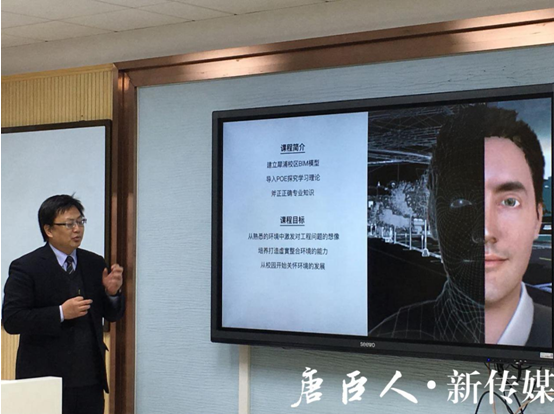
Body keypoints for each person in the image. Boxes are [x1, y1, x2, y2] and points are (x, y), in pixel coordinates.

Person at [370, 105, 552, 347]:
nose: (484, 232)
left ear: (537, 218)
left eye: (509, 201)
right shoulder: (389, 337)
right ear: (432, 219)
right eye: (460, 202)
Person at [2, 195, 125, 414]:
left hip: (89, 379)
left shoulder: (94, 263)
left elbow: (111, 315)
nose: (77, 229)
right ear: (49, 230)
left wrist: (111, 293)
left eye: (80, 222)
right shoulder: (26, 267)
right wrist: (60, 313)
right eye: (69, 224)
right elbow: (12, 320)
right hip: (44, 378)